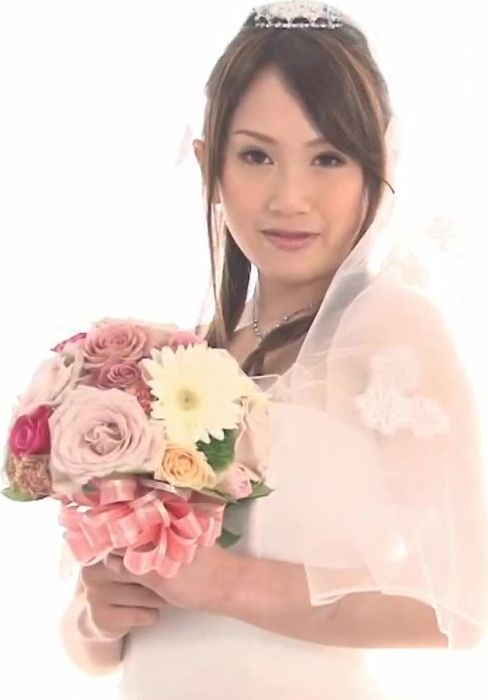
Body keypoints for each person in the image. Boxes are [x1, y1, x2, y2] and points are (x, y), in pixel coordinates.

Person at [60, 2, 488, 698]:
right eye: (257, 155)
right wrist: (97, 616)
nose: (291, 196)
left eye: (328, 157)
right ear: (210, 164)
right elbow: (94, 641)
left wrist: (227, 584)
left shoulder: (390, 330)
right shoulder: (187, 359)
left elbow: (462, 607)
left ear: (377, 165)